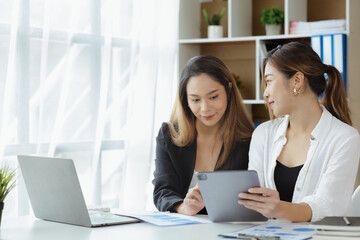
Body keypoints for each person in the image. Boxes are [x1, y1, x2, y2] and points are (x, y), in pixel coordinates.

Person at [238, 41, 360, 222]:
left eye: (269, 81)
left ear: (297, 80)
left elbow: (328, 205)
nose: (265, 93)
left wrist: (279, 208)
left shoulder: (345, 138)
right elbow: (254, 197)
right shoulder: (263, 134)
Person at [152, 55, 254, 216]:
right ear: (186, 99)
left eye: (213, 97)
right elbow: (163, 191)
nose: (205, 108)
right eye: (195, 99)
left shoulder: (249, 140)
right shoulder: (169, 135)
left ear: (229, 90)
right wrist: (183, 207)